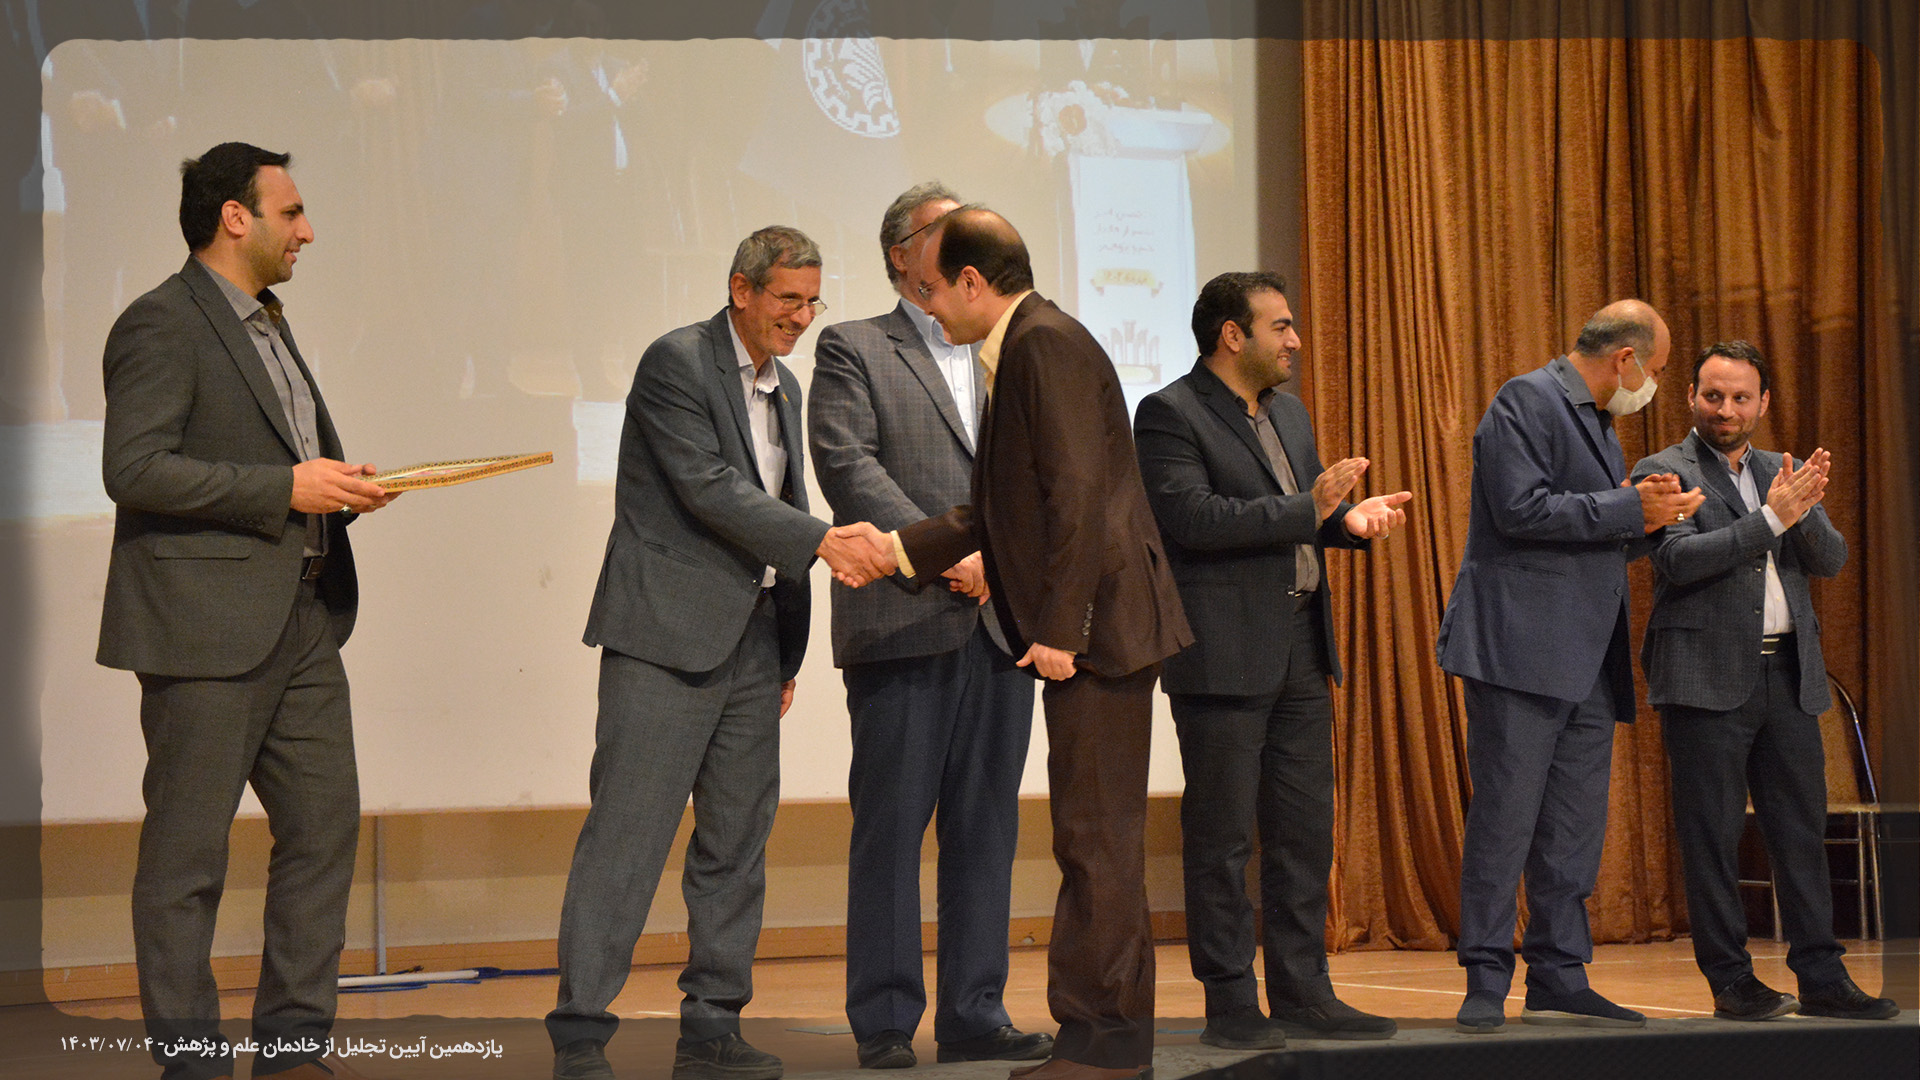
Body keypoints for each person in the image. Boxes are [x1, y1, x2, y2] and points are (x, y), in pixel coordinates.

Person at [546, 227, 895, 1080]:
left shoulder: (789, 385)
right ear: (741, 289)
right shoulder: (676, 362)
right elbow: (710, 489)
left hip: (753, 645)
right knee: (626, 841)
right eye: (787, 299)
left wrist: (786, 652)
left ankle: (712, 1027)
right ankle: (581, 1033)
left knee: (735, 845)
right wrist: (825, 542)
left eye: (813, 302)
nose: (803, 317)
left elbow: (777, 497)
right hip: (663, 639)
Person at [98, 141, 400, 1080]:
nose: (307, 231)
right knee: (186, 859)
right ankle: (192, 1061)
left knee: (324, 831)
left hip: (303, 620)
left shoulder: (269, 323)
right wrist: (286, 489)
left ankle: (294, 1049)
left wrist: (337, 488)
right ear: (236, 216)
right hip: (203, 630)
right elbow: (133, 469)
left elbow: (282, 462)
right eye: (291, 212)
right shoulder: (161, 322)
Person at [890, 207, 1193, 1080]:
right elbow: (1003, 506)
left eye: (932, 289)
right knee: (1092, 839)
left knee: (1096, 842)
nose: (927, 308)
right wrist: (902, 551)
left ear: (973, 282)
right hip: (1097, 627)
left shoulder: (1042, 344)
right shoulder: (1027, 342)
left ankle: (1105, 1048)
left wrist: (1062, 630)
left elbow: (1080, 495)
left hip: (1099, 633)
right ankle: (1102, 1040)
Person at [807, 184, 1050, 1070]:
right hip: (903, 619)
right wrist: (950, 553)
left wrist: (1006, 561)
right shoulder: (854, 345)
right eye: (945, 231)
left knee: (987, 828)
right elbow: (848, 465)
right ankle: (882, 1019)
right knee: (892, 827)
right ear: (904, 254)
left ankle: (974, 1013)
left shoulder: (1010, 346)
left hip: (1000, 624)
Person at [1133, 272, 1409, 1048]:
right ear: (1233, 334)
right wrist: (1309, 508)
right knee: (1222, 837)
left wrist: (1347, 523)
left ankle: (1302, 991)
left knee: (1303, 831)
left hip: (1301, 644)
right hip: (1222, 651)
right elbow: (1191, 519)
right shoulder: (1169, 413)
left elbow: (1300, 519)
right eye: (1280, 326)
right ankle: (1230, 1001)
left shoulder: (1289, 413)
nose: (1295, 340)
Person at [1436, 299, 1704, 1034]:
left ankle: (1558, 974)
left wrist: (1657, 519)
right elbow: (1520, 510)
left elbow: (1593, 532)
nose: (1652, 386)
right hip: (1520, 650)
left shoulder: (1597, 418)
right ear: (1625, 359)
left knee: (1572, 828)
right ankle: (1485, 975)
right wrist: (1628, 508)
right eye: (1655, 370)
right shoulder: (1526, 400)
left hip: (1586, 656)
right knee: (1505, 821)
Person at [1632, 341, 1898, 1022]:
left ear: (1763, 403)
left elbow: (1831, 561)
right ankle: (1732, 981)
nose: (1726, 409)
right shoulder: (1664, 470)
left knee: (1800, 834)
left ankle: (1822, 977)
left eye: (1740, 398)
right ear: (1691, 396)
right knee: (1712, 837)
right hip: (1705, 678)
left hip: (1788, 675)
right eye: (1713, 395)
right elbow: (1679, 560)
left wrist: (1800, 509)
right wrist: (1772, 518)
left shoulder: (1783, 469)